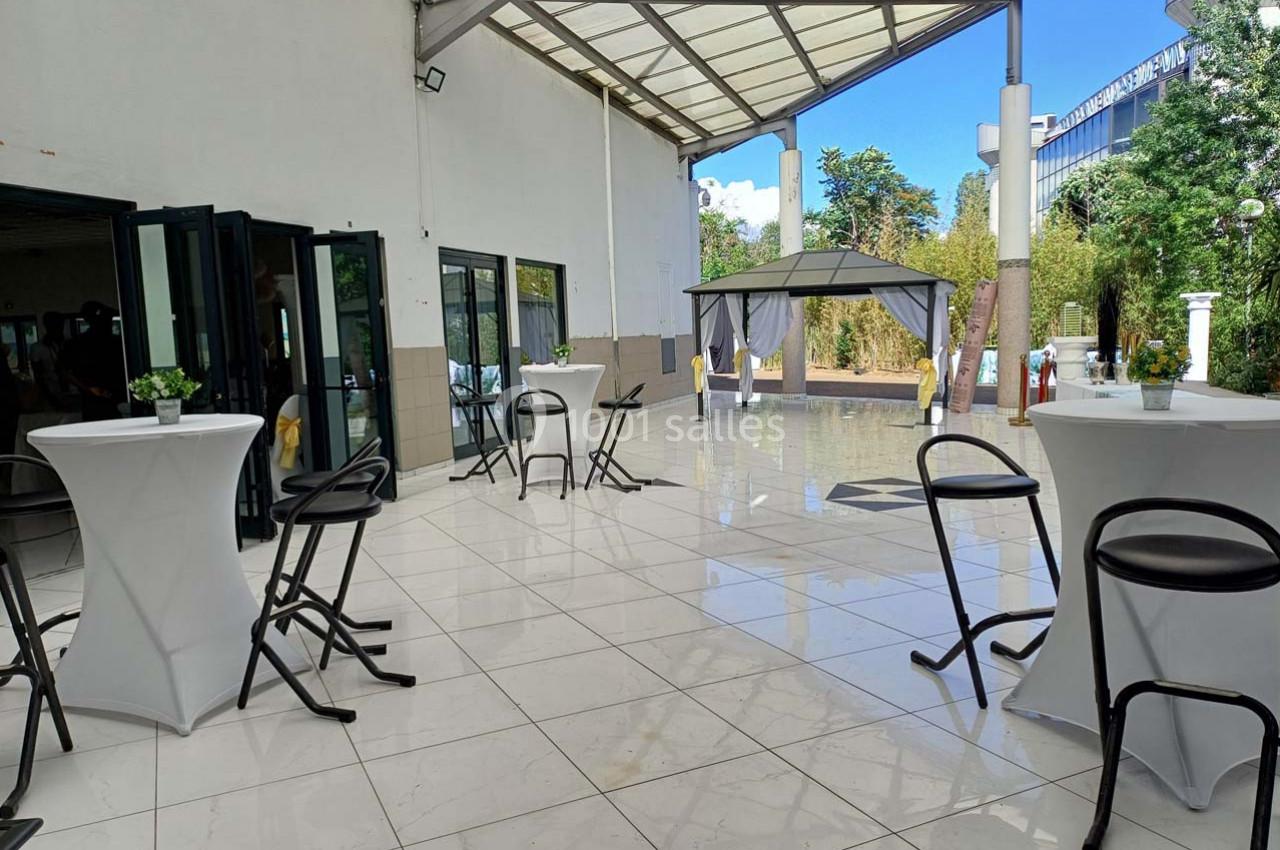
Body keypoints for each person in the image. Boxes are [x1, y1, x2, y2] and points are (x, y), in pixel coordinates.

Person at [63, 302, 126, 421]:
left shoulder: (119, 342)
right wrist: (89, 388)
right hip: (93, 401)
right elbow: (65, 372)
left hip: (121, 398)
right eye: (101, 319)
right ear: (90, 320)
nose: (107, 323)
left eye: (109, 319)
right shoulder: (76, 344)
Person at [28, 311, 68, 411]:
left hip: (73, 391)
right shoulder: (37, 348)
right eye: (53, 325)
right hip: (51, 393)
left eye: (59, 325)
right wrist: (51, 398)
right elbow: (38, 376)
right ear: (46, 326)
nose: (57, 328)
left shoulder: (70, 344)